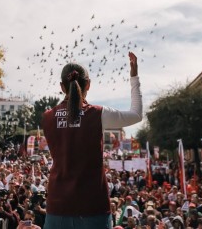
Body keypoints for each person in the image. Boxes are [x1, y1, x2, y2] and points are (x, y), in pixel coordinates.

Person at [43, 52, 142, 229]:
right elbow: (136, 114)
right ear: (88, 84)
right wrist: (134, 76)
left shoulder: (48, 117)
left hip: (57, 205)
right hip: (93, 207)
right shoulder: (97, 114)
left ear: (61, 87)